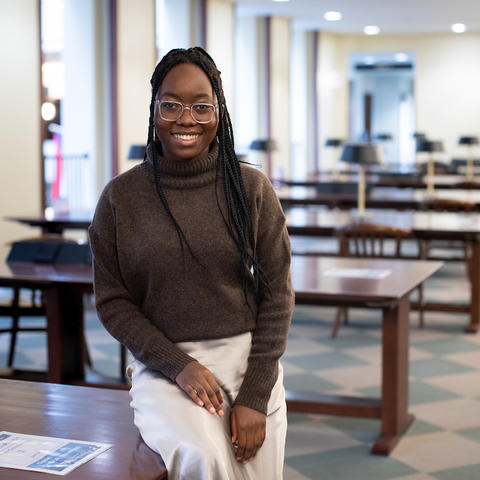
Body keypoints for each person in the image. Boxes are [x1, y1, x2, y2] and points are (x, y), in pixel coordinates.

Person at [88, 46, 294, 480]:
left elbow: (278, 295)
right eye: (171, 105)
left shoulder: (250, 189)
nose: (186, 119)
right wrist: (178, 365)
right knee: (205, 456)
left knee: (253, 466)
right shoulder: (121, 198)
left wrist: (255, 396)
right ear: (154, 110)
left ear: (218, 111)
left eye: (202, 106)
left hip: (248, 357)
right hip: (165, 365)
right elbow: (113, 302)